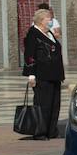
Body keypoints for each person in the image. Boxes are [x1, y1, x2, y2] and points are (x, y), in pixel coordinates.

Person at [22, 9, 64, 139]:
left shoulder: (49, 33)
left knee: (54, 103)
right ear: (41, 20)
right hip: (42, 75)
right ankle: (40, 132)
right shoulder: (33, 34)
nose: (51, 21)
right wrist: (31, 75)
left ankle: (51, 130)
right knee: (43, 104)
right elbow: (29, 55)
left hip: (55, 75)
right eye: (48, 19)